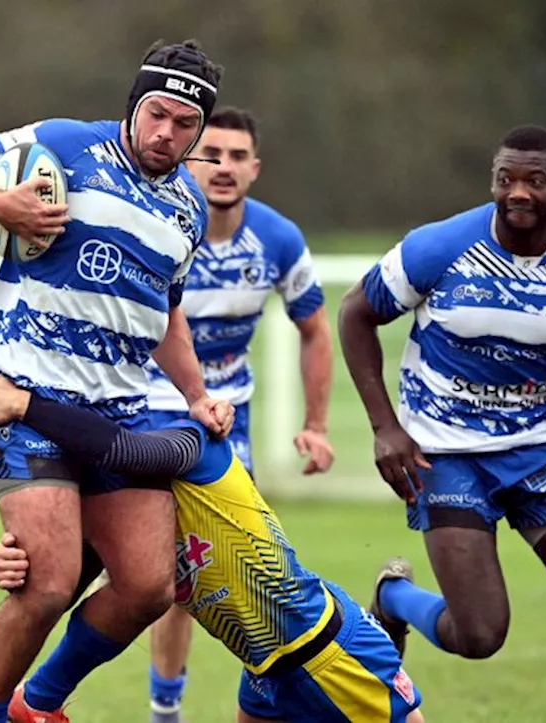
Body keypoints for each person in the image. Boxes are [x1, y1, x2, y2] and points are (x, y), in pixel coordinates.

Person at [0, 39, 235, 723]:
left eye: (185, 125)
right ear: (134, 106)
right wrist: (2, 206)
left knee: (151, 586)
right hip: (24, 400)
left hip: (119, 414)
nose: (166, 134)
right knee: (48, 584)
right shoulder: (63, 146)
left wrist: (197, 392)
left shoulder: (187, 208)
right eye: (157, 115)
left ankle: (38, 703)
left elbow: (166, 309)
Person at [336, 125, 546, 723]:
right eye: (504, 178)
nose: (517, 192)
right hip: (446, 455)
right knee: (482, 635)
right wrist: (385, 426)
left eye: (534, 181)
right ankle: (392, 599)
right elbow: (355, 314)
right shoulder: (436, 249)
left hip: (543, 450)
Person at [0, 375, 423, 723]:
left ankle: (395, 602)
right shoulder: (123, 508)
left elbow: (126, 450)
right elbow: (71, 572)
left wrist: (26, 406)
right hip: (263, 672)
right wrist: (22, 566)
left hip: (325, 648)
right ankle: (36, 702)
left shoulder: (189, 442)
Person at [142, 105, 335, 723]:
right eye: (211, 154)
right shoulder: (150, 225)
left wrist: (318, 424)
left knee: (245, 577)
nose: (222, 168)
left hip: (228, 425)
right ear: (189, 160)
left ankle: (264, 699)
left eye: (236, 157)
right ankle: (164, 711)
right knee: (160, 581)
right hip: (140, 414)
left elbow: (315, 330)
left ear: (255, 168)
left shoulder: (278, 240)